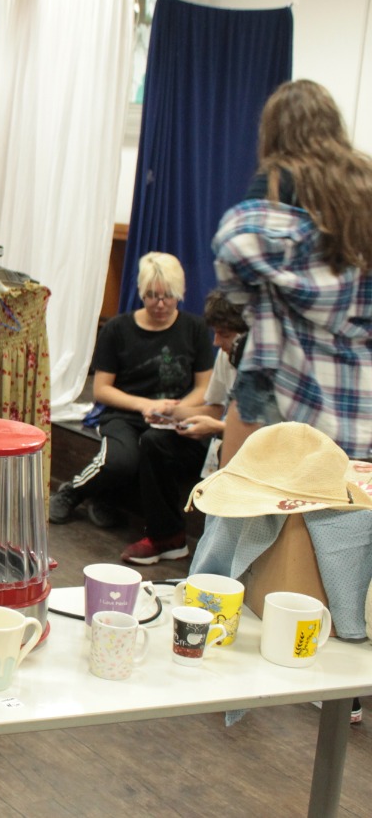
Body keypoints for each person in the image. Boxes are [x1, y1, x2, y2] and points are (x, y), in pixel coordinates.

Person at [213, 78, 372, 466]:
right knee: (341, 495)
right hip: (356, 377)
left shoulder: (276, 180)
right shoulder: (365, 182)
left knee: (242, 494)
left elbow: (233, 244)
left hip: (280, 370)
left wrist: (271, 290)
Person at [48, 252, 215, 565]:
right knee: (121, 461)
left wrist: (176, 410)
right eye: (152, 296)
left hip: (173, 418)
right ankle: (73, 492)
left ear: (179, 294)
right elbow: (102, 389)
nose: (160, 304)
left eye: (167, 296)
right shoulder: (118, 329)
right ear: (141, 293)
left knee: (161, 454)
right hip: (125, 415)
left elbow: (205, 387)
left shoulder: (194, 328)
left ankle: (109, 499)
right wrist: (146, 405)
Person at [168, 290, 248, 475]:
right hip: (228, 441)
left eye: (224, 334)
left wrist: (219, 427)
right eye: (215, 333)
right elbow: (215, 408)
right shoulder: (224, 355)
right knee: (157, 441)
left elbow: (278, 433)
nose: (216, 342)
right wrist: (172, 412)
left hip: (266, 457)